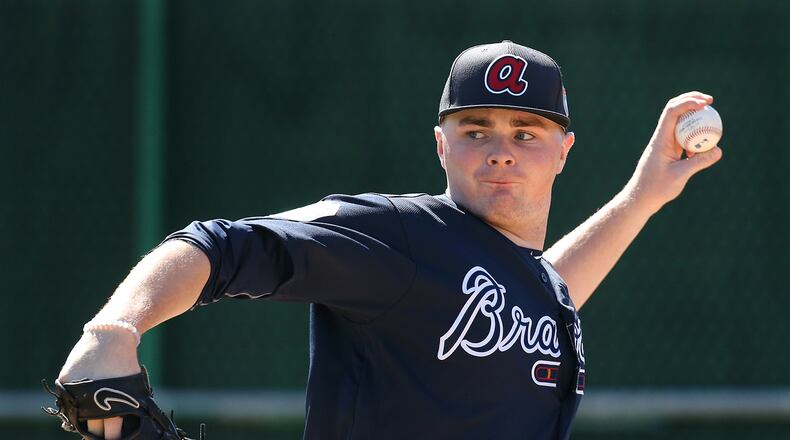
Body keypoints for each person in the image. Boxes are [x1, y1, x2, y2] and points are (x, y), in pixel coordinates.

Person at [56, 40, 722, 439]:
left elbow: (540, 288)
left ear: (563, 153)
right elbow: (221, 244)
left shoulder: (516, 283)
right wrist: (113, 329)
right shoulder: (400, 237)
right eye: (476, 129)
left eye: (526, 133)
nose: (500, 151)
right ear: (441, 145)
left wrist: (643, 197)